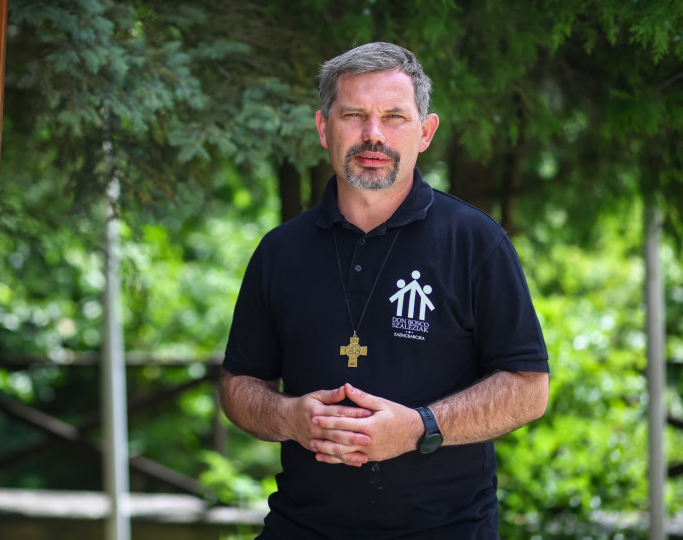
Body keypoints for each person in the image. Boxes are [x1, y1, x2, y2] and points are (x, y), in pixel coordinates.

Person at [219, 42, 550, 539]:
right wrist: (288, 417)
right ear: (323, 128)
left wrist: (420, 427)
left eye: (394, 117)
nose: (373, 134)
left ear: (425, 132)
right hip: (301, 526)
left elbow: (528, 388)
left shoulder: (476, 242)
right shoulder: (279, 250)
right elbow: (238, 385)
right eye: (353, 115)